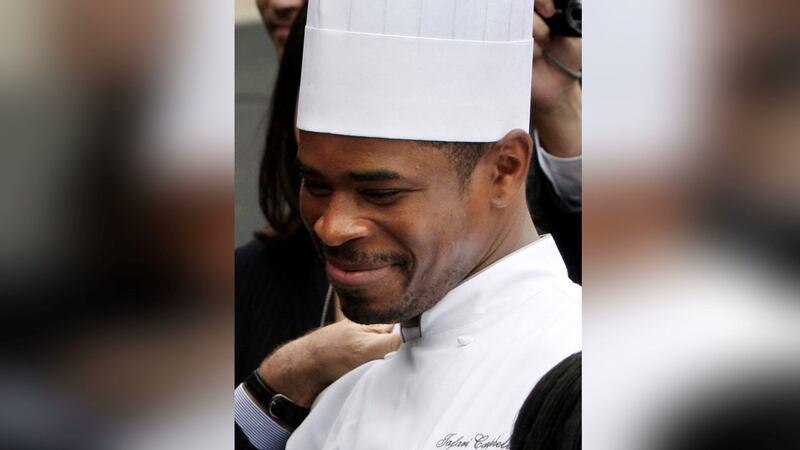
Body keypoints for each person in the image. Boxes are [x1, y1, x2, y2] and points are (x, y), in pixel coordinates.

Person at [237, 0, 581, 448]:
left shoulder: (589, 375)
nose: (332, 227)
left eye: (381, 193)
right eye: (315, 184)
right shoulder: (335, 400)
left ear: (505, 170)